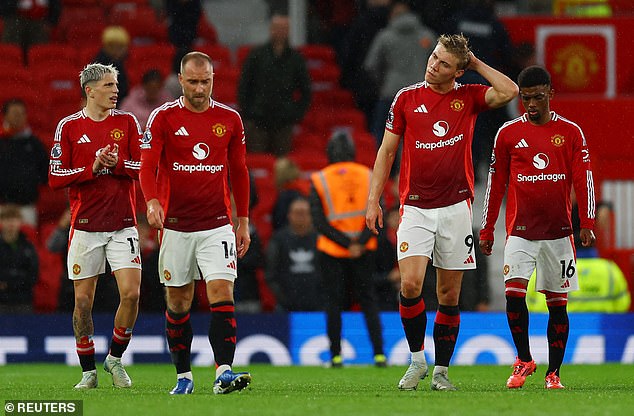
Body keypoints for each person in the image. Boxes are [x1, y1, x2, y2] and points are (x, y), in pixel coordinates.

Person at [365, 33, 518, 391]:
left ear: (458, 72)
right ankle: (417, 360)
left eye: (444, 63)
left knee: (449, 295)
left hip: (455, 208)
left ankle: (441, 372)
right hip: (415, 207)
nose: (434, 66)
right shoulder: (405, 99)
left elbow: (510, 91)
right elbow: (387, 152)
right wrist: (373, 200)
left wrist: (477, 64)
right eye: (434, 57)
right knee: (411, 283)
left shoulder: (468, 98)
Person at [139, 51, 252, 395]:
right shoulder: (163, 118)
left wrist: (242, 219)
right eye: (193, 82)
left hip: (216, 224)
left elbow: (239, 171)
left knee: (222, 292)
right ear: (181, 80)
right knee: (178, 302)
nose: (200, 88)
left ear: (213, 79)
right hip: (175, 226)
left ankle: (224, 373)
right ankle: (184, 377)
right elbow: (147, 165)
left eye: (206, 81)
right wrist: (152, 200)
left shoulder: (229, 119)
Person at [479, 65, 596, 390]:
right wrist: (487, 229)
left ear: (551, 95)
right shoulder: (508, 133)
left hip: (559, 235)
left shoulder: (571, 132)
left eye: (538, 98)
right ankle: (524, 359)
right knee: (513, 296)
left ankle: (553, 373)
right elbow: (496, 183)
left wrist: (586, 222)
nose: (531, 104)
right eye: (526, 98)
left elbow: (582, 179)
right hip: (520, 233)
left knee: (557, 305)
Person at [48, 63, 143, 390]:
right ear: (89, 90)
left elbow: (140, 166)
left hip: (122, 224)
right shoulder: (69, 127)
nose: (115, 90)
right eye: (108, 85)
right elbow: (54, 178)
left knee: (131, 294)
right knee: (84, 302)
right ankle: (88, 371)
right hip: (86, 226)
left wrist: (116, 165)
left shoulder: (127, 122)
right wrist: (91, 167)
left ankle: (115, 358)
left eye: (116, 84)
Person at [310, 131, 386, 368]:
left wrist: (345, 244)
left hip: (332, 251)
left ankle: (335, 356)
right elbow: (378, 211)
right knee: (368, 301)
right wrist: (359, 243)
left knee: (334, 302)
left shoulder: (320, 179)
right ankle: (379, 355)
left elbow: (319, 222)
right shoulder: (369, 174)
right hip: (364, 249)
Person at [363, 0, 437, 148]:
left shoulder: (384, 36)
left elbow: (371, 66)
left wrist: (382, 83)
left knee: (384, 138)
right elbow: (441, 65)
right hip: (419, 94)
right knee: (419, 139)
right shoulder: (427, 36)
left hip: (391, 93)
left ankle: (387, 171)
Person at [237, 14, 312, 156]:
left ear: (289, 30)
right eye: (277, 27)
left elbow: (306, 92)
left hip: (283, 124)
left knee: (282, 167)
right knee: (258, 164)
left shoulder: (296, 59)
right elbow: (244, 87)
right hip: (257, 122)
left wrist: (294, 115)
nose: (280, 31)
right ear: (271, 29)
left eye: (284, 28)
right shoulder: (256, 55)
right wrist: (249, 114)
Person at [266, 196, 323, 312]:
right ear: (289, 215)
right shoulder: (278, 239)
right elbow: (270, 274)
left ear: (311, 215)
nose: (301, 217)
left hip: (319, 305)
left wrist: (322, 298)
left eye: (304, 213)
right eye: (297, 212)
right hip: (285, 306)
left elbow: (329, 272)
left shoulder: (321, 239)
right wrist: (284, 299)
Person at [0, 98, 49, 227]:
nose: (19, 117)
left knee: (29, 241)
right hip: (2, 207)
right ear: (5, 116)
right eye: (15, 114)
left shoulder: (34, 144)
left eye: (22, 114)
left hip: (26, 208)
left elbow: (45, 173)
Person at [0, 204, 39, 313]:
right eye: (7, 219)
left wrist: (8, 284)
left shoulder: (28, 246)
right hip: (2, 302)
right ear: (1, 221)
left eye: (14, 218)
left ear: (20, 221)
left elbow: (33, 275)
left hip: (23, 301)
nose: (11, 223)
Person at [93, 26, 131, 104]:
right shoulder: (99, 66)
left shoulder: (122, 63)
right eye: (112, 46)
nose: (117, 50)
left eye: (121, 46)